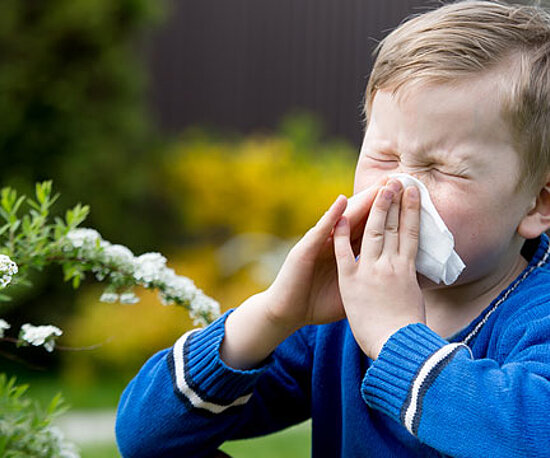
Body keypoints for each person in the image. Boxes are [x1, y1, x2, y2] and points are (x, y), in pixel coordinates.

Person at [115, 1, 550, 456]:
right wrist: (273, 314)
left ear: (538, 203)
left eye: (442, 169)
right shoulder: (338, 313)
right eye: (384, 156)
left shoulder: (537, 316)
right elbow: (145, 438)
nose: (398, 189)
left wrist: (395, 341)